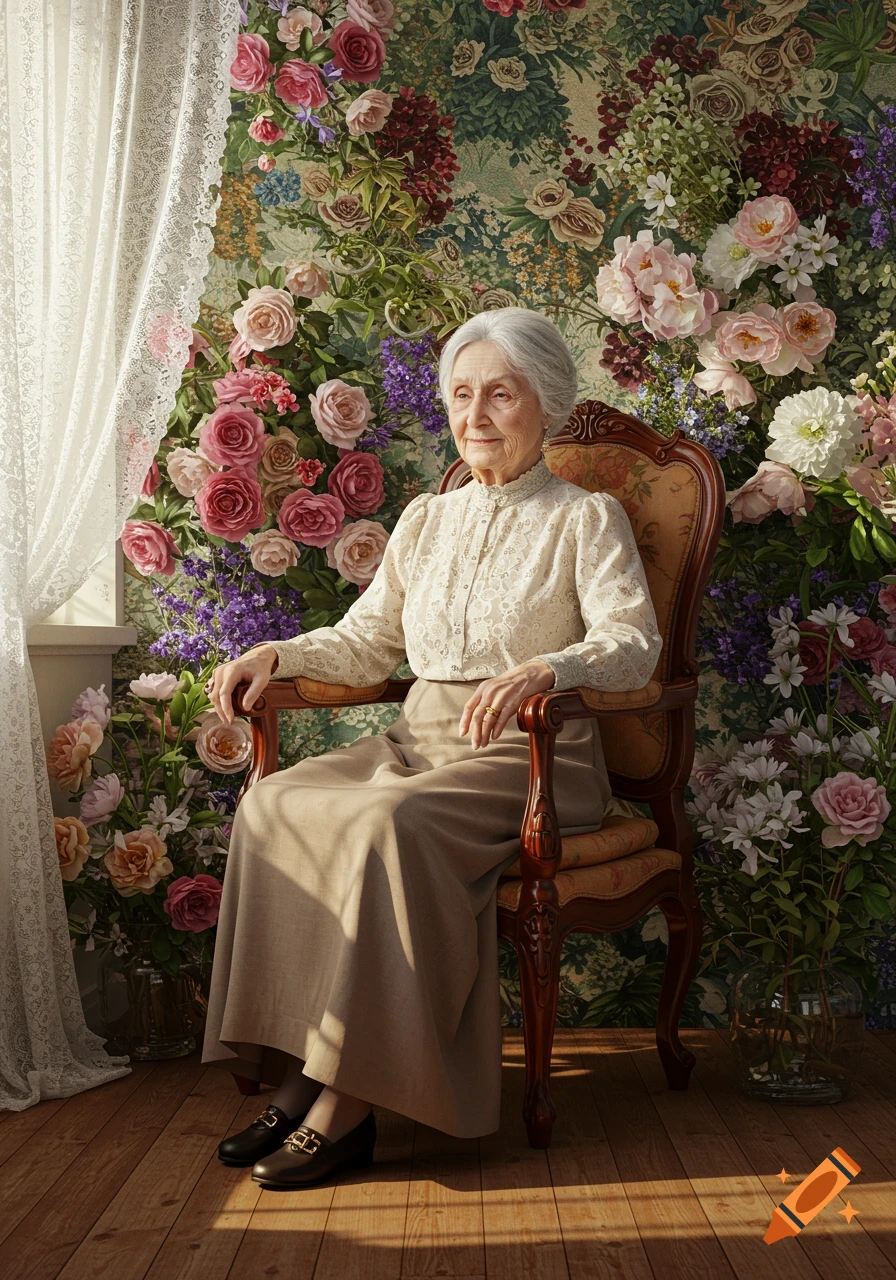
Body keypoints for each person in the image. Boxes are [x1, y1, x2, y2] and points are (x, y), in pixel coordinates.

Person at [201, 306, 663, 1189]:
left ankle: (349, 1105)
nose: (476, 415)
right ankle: (309, 1064)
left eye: (500, 393)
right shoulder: (425, 519)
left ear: (548, 402)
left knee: (388, 826)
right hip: (420, 740)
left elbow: (632, 642)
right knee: (274, 802)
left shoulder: (585, 517)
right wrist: (280, 654)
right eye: (461, 394)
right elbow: (367, 642)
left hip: (534, 757)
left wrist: (546, 670)